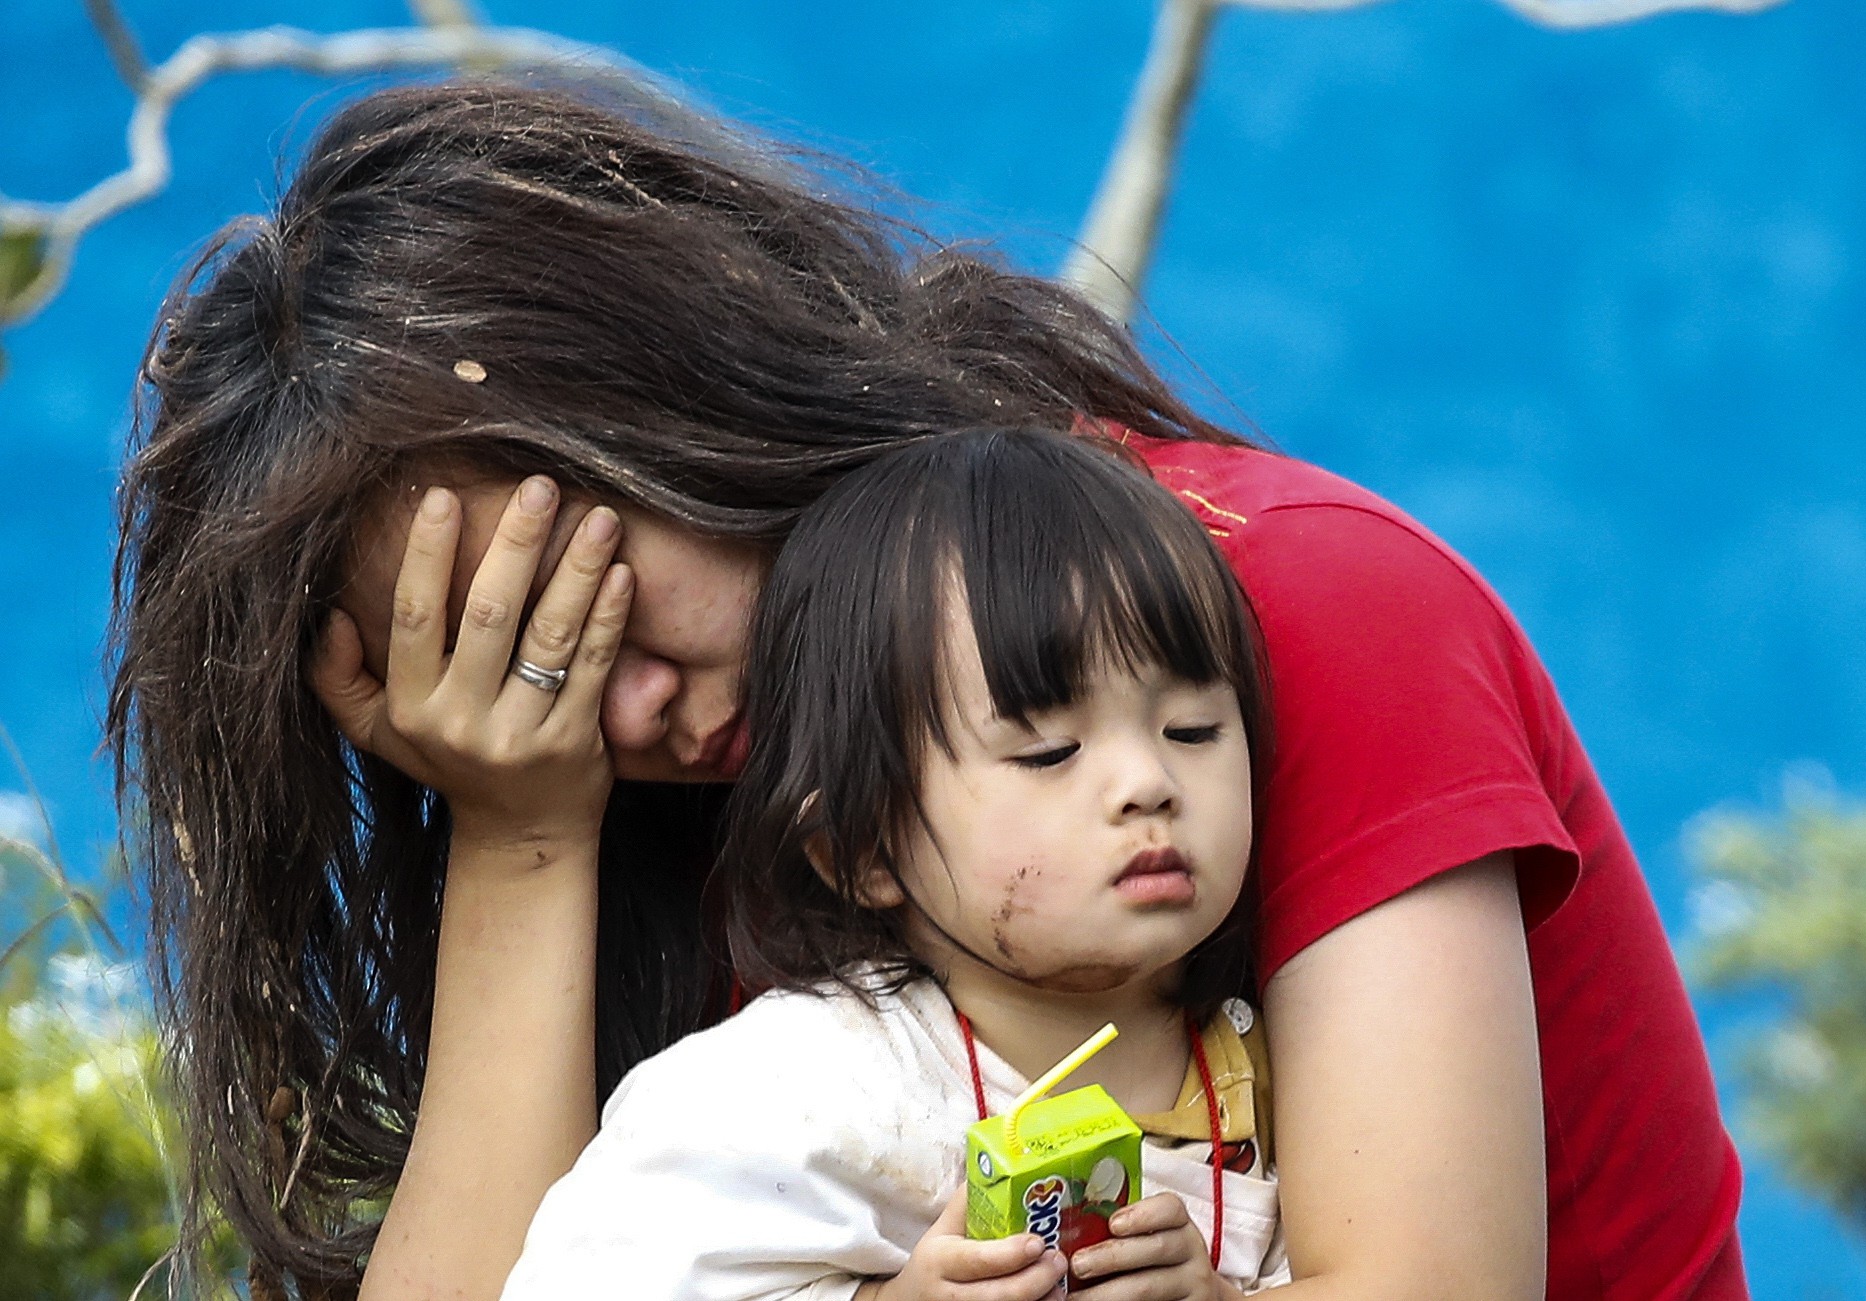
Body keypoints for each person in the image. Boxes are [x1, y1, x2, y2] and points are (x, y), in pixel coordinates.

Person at [109, 78, 1747, 1301]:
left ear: (693, 388)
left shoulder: (1273, 617)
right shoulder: (729, 826)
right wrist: (521, 840)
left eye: (589, 614)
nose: (609, 716)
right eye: (500, 679)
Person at [503, 427, 1287, 1300]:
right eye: (1049, 751)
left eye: (1194, 732)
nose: (1149, 780)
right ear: (865, 850)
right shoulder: (792, 1094)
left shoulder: (1301, 1058)